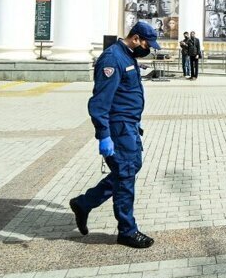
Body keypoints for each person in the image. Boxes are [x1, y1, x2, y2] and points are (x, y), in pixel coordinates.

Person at [69, 21, 161, 248]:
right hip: (118, 128)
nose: (148, 49)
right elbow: (100, 102)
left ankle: (84, 203)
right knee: (126, 174)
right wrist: (104, 135)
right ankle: (127, 231)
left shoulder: (127, 55)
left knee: (129, 169)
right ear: (137, 38)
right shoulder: (112, 59)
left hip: (129, 126)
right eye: (147, 44)